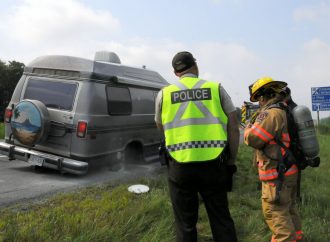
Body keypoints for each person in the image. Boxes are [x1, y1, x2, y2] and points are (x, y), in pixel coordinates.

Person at [155, 51, 239, 242]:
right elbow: (233, 128)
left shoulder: (164, 94)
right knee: (221, 219)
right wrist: (231, 160)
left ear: (176, 73)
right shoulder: (216, 88)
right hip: (214, 164)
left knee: (185, 224)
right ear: (195, 65)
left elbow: (160, 125)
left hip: (179, 166)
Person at [244, 77, 303, 242]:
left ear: (263, 97)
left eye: (259, 99)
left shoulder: (270, 114)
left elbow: (254, 139)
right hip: (288, 172)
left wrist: (248, 125)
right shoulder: (284, 109)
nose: (259, 103)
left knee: (276, 214)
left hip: (276, 177)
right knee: (289, 211)